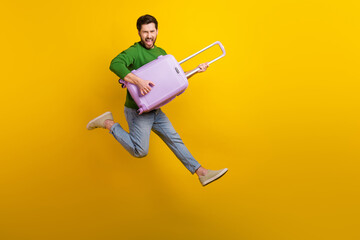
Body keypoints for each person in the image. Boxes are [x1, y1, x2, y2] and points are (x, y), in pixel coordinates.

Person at [86, 14, 227, 186]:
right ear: (139, 32)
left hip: (155, 110)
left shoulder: (161, 54)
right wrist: (139, 81)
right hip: (138, 111)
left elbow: (172, 82)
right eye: (145, 32)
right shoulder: (134, 51)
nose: (149, 36)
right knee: (140, 151)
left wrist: (196, 70)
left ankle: (202, 173)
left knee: (174, 139)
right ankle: (108, 123)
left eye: (152, 31)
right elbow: (115, 64)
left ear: (157, 31)